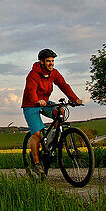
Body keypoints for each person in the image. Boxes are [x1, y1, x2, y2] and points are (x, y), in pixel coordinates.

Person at [22, 49, 83, 178]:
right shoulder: (33, 74)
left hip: (45, 102)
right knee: (36, 134)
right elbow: (31, 89)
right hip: (31, 104)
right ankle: (36, 163)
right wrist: (36, 101)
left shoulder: (54, 73)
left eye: (53, 61)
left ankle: (51, 142)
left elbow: (64, 85)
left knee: (60, 111)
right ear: (42, 62)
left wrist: (74, 99)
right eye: (48, 61)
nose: (51, 63)